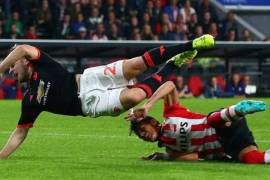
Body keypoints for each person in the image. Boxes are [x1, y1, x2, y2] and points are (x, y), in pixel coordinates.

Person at [0, 34, 215, 159]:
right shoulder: (30, 100)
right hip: (90, 105)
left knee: (136, 65)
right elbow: (20, 133)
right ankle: (172, 65)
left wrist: (1, 68)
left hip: (88, 79)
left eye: (12, 66)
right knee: (133, 97)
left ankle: (191, 45)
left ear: (24, 62)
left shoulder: (39, 62)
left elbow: (22, 48)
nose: (11, 70)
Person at [129, 81, 269, 164]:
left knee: (211, 120)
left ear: (153, 122)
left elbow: (170, 85)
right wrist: (164, 156)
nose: (143, 135)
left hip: (223, 121)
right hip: (228, 144)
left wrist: (148, 105)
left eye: (142, 129)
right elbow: (194, 157)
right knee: (250, 159)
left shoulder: (171, 114)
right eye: (140, 135)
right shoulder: (171, 150)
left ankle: (238, 110)